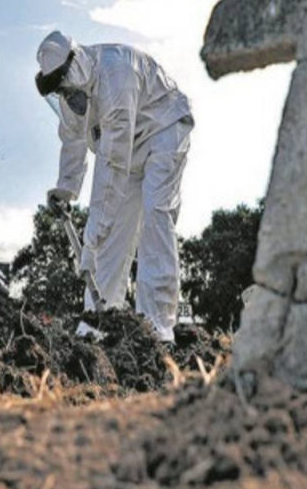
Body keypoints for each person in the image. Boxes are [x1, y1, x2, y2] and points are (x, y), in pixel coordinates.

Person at [35, 31, 193, 343]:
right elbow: (73, 140)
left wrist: (91, 235)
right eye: (59, 91)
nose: (66, 96)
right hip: (130, 152)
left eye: (65, 86)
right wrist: (66, 188)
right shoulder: (71, 92)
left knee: (155, 215)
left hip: (163, 130)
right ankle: (96, 326)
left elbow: (113, 163)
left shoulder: (117, 74)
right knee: (112, 240)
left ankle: (157, 329)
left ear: (76, 63)